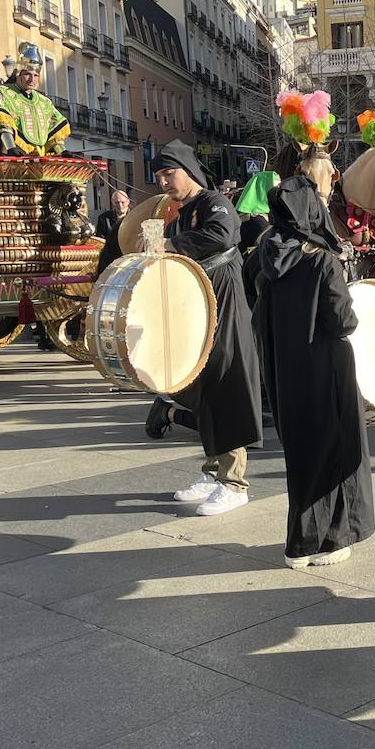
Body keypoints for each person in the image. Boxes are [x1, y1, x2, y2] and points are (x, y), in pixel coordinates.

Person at [251, 174, 374, 569]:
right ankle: (331, 540)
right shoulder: (321, 261)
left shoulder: (264, 258)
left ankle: (298, 543)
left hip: (284, 373)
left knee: (301, 454)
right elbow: (343, 322)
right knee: (336, 452)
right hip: (326, 371)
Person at [144, 141, 263, 515]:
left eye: (169, 173)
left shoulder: (215, 203)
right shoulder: (183, 212)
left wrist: (171, 244)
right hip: (201, 308)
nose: (163, 181)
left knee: (227, 389)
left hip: (225, 303)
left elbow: (223, 237)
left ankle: (234, 483)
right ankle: (212, 472)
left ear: (188, 170)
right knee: (207, 389)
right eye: (159, 175)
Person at [0, 42, 70, 158]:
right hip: (6, 155)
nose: (31, 80)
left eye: (35, 76)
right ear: (19, 74)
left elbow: (53, 132)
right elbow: (2, 123)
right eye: (27, 75)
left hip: (37, 159)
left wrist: (62, 151)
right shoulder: (3, 93)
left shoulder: (44, 102)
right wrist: (11, 148)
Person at [94, 190, 130, 275]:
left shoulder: (135, 217)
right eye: (117, 203)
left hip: (129, 258)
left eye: (123, 202)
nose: (120, 206)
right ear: (112, 203)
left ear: (128, 201)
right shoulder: (103, 219)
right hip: (110, 260)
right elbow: (100, 240)